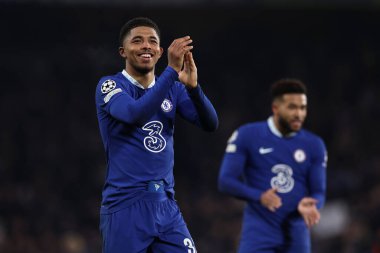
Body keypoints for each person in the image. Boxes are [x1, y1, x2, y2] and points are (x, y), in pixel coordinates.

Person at [95, 17, 218, 253]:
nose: (146, 46)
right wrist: (171, 71)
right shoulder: (110, 85)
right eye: (137, 41)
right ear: (123, 51)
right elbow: (134, 114)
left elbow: (210, 123)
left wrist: (194, 89)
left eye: (152, 41)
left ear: (160, 51)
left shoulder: (171, 87)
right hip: (125, 205)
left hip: (166, 205)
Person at [218, 79, 327, 253]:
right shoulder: (248, 135)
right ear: (276, 108)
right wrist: (259, 196)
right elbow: (226, 181)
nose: (299, 114)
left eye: (302, 108)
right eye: (292, 107)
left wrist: (313, 204)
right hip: (258, 236)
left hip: (297, 238)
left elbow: (319, 192)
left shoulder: (314, 145)